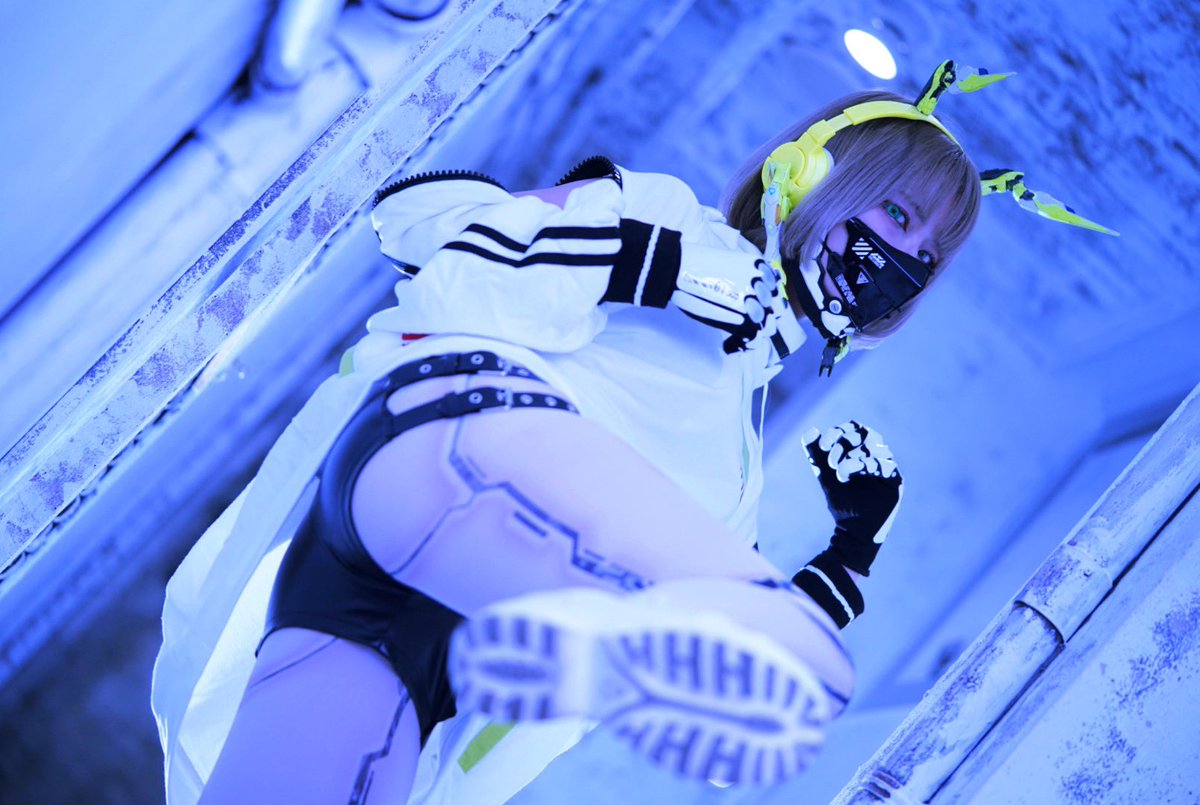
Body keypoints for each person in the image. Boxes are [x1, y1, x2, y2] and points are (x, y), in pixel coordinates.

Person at [153, 60, 1110, 804]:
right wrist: (646, 260)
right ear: (810, 170)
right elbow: (426, 238)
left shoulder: (735, 461)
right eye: (897, 212)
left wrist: (848, 554)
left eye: (926, 255)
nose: (900, 255)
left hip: (446, 657)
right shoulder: (665, 215)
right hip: (429, 484)